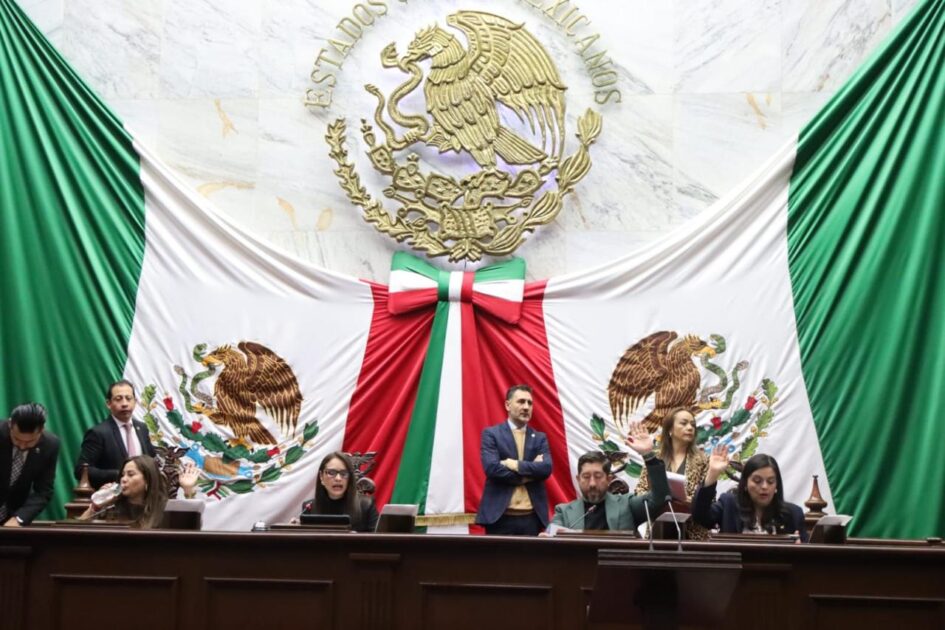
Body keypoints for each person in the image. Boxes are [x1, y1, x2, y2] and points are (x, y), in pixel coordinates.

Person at [551, 422, 670, 532]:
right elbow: (551, 537)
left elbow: (660, 497)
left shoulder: (627, 505)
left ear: (609, 479)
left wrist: (648, 455)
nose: (592, 483)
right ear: (578, 479)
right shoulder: (563, 512)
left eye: (598, 476)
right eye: (586, 477)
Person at [476, 384, 552, 536]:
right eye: (521, 402)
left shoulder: (540, 438)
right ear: (507, 405)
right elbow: (492, 469)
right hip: (499, 518)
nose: (526, 407)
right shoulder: (491, 434)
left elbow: (546, 468)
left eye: (530, 403)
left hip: (532, 518)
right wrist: (529, 475)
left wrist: (513, 464)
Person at [692, 446, 808, 542]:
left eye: (770, 481)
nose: (764, 487)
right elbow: (700, 516)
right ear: (745, 484)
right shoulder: (729, 504)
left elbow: (806, 554)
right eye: (757, 481)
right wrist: (712, 474)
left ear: (777, 486)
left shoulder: (793, 514)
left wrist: (799, 552)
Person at [634, 407, 710, 539]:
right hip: (658, 530)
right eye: (684, 423)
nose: (690, 428)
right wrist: (654, 498)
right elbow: (641, 490)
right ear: (670, 429)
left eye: (693, 425)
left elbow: (709, 500)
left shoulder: (703, 460)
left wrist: (691, 501)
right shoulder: (655, 458)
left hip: (692, 532)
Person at [75, 380, 156, 489]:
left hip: (143, 494)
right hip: (113, 493)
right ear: (108, 404)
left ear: (135, 402)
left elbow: (151, 461)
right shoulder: (98, 433)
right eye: (118, 399)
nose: (124, 404)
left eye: (128, 398)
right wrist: (120, 474)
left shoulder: (142, 428)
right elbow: (81, 470)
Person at [0, 403, 60, 526]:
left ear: (42, 430)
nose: (22, 446)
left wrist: (19, 518)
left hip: (10, 519)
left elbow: (43, 491)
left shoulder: (50, 445)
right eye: (17, 439)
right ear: (10, 424)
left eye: (30, 441)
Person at [79, 455, 168, 529]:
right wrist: (96, 506)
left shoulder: (165, 509)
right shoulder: (112, 506)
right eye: (122, 475)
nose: (124, 479)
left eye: (130, 474)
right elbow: (78, 528)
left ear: (148, 480)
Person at [300, 452, 378, 532]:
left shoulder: (366, 505)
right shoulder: (309, 507)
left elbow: (377, 538)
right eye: (331, 473)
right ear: (321, 476)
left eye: (344, 473)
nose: (338, 478)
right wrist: (296, 528)